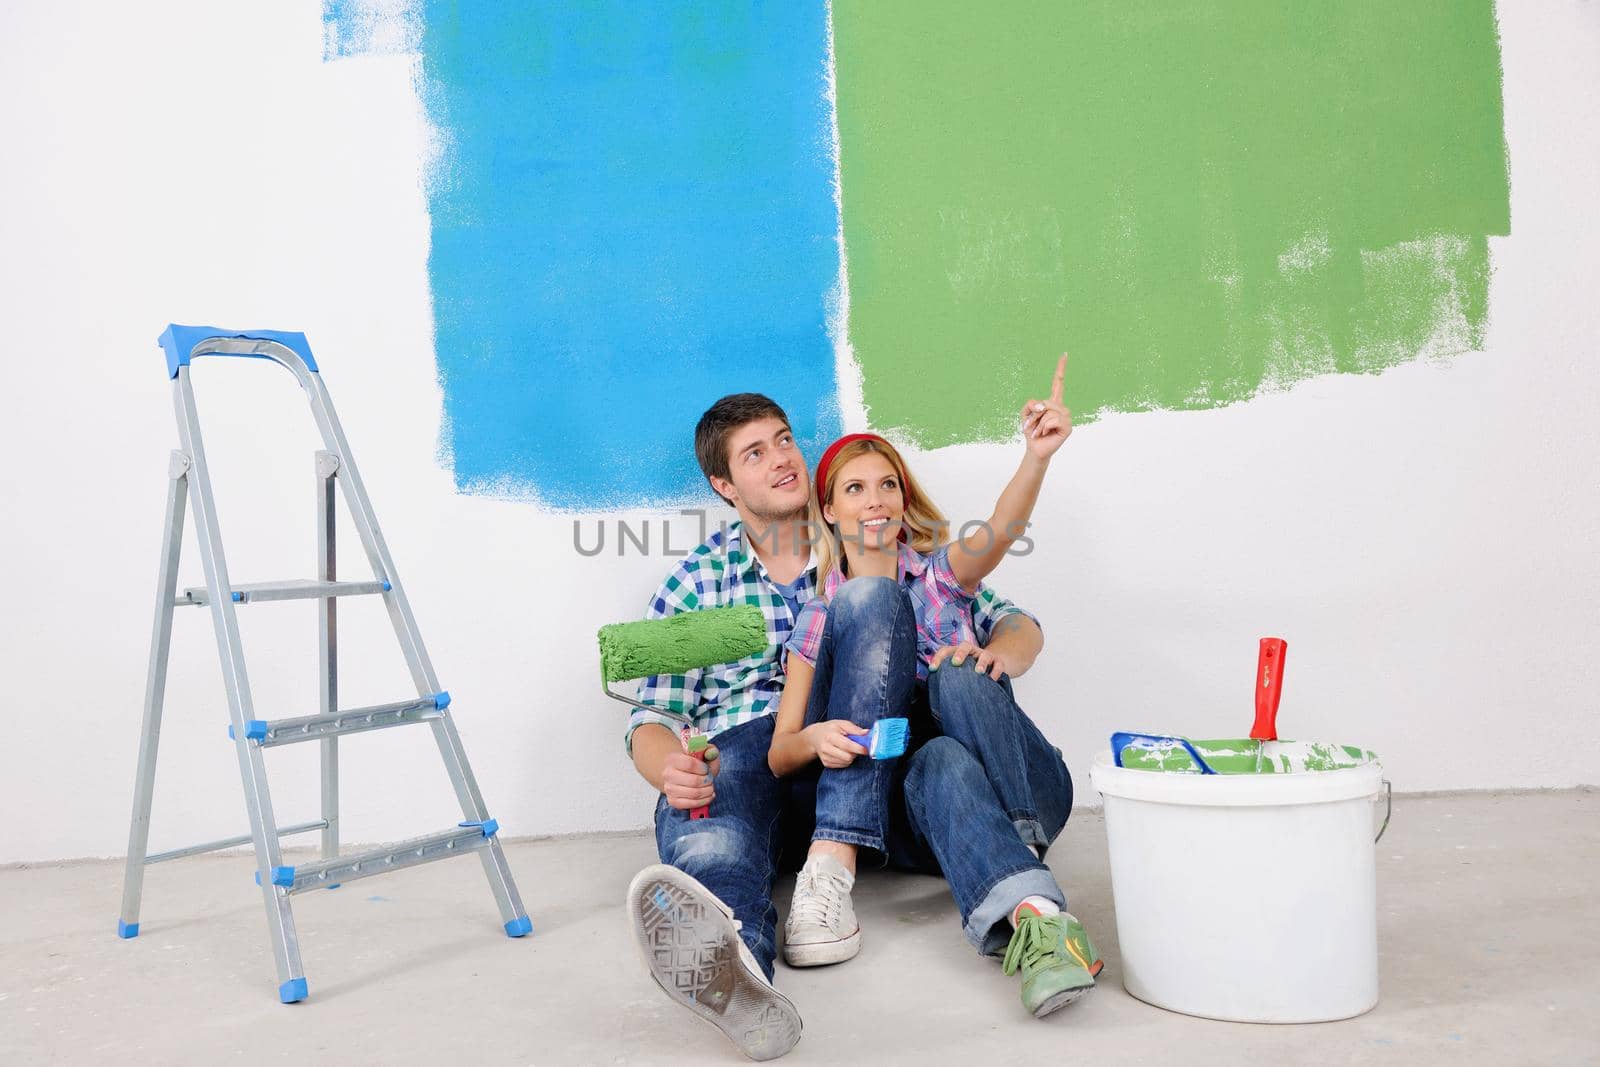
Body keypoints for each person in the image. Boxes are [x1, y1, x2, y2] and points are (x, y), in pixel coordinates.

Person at [622, 393, 1042, 1060]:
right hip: (762, 757)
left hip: (882, 766)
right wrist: (663, 766)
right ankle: (741, 973)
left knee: (882, 628)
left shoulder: (883, 552)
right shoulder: (701, 581)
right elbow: (655, 716)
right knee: (719, 815)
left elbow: (1008, 619)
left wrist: (997, 665)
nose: (781, 458)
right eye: (754, 453)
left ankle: (841, 865)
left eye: (783, 440)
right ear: (723, 486)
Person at [768, 354, 1104, 1019]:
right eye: (855, 488)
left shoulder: (943, 579)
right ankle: (1038, 919)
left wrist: (1035, 457)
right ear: (829, 510)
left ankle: (1021, 839)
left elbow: (1000, 533)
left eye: (887, 484)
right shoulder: (817, 616)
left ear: (903, 500)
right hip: (927, 810)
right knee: (937, 758)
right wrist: (812, 736)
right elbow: (780, 751)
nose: (876, 499)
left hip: (1024, 786)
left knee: (954, 672)